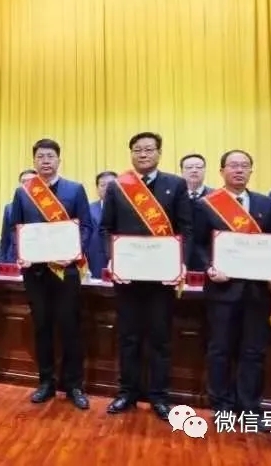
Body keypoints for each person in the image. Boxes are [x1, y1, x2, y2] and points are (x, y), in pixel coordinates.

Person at [101, 131, 191, 422]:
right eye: (137, 150)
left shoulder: (175, 185)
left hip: (162, 279)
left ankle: (159, 396)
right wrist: (112, 258)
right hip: (128, 278)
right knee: (128, 337)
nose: (143, 154)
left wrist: (180, 263)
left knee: (160, 338)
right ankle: (127, 392)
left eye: (149, 149)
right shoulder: (118, 186)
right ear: (131, 154)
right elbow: (106, 229)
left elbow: (186, 228)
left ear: (159, 153)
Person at [193, 150, 271, 422]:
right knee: (220, 349)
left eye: (244, 165)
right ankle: (222, 405)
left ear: (251, 171)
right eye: (233, 165)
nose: (239, 170)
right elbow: (197, 244)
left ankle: (250, 407)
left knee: (254, 351)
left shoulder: (267, 205)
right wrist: (209, 266)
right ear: (222, 171)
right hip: (222, 290)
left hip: (258, 291)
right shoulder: (206, 205)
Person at [7, 138, 92, 410]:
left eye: (50, 156)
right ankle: (45, 382)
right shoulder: (23, 193)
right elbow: (15, 228)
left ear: (58, 160)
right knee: (41, 327)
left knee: (70, 328)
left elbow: (86, 227)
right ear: (34, 161)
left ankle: (74, 385)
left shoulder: (75, 189)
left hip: (66, 271)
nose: (45, 161)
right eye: (40, 156)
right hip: (36, 273)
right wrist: (22, 252)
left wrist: (74, 252)